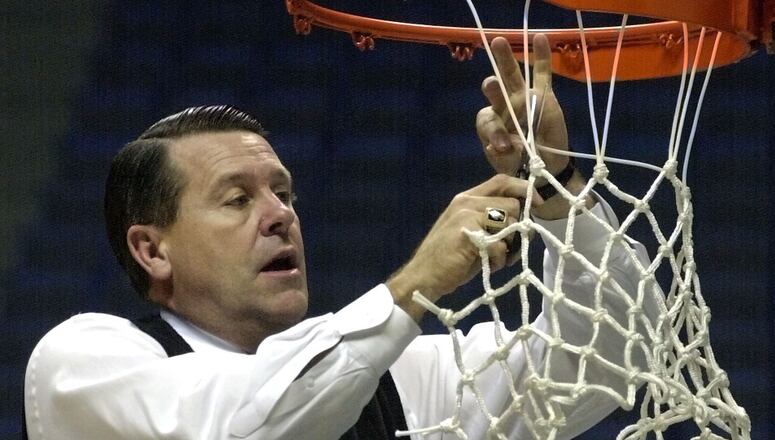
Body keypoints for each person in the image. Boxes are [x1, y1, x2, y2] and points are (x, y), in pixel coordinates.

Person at [24, 36, 657, 439]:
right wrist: (414, 285)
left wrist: (551, 182)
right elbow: (236, 425)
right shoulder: (85, 367)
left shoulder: (405, 380)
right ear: (152, 250)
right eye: (237, 199)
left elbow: (612, 354)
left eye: (284, 193)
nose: (278, 214)